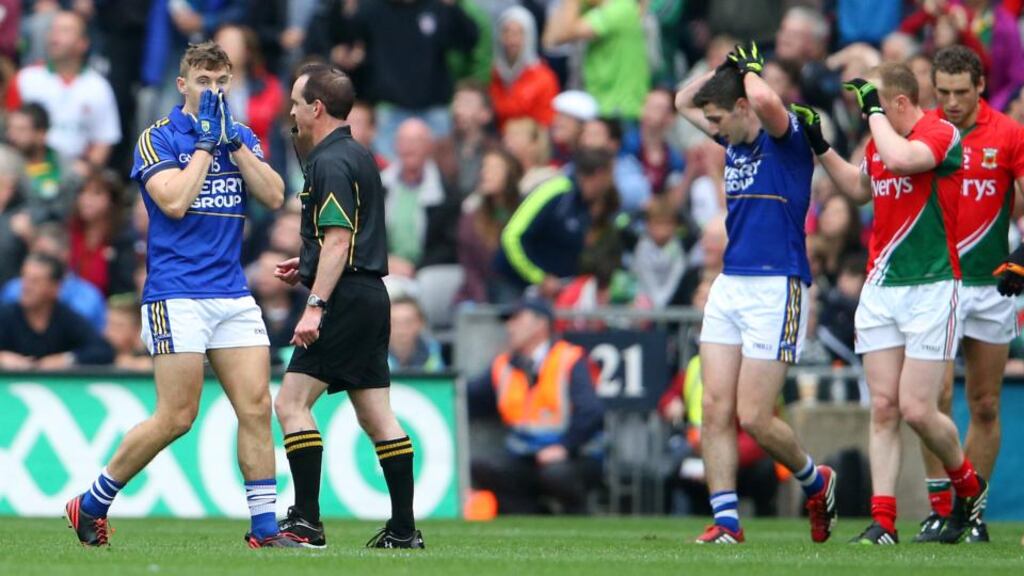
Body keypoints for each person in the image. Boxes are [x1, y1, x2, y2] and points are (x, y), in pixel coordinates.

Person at [64, 42, 292, 549]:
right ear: (182, 85)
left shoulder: (242, 136)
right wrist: (207, 147)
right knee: (177, 417)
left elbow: (275, 196)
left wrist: (231, 142)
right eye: (203, 81)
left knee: (256, 406)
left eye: (220, 82)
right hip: (176, 293)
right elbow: (172, 201)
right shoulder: (158, 138)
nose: (213, 90)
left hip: (232, 292)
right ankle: (93, 501)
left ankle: (264, 530)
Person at [793, 61, 987, 544]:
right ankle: (883, 522)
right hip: (882, 287)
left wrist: (875, 112)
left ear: (898, 102)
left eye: (871, 105)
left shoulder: (940, 133)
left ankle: (967, 484)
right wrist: (821, 145)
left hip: (932, 284)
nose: (864, 114)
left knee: (918, 409)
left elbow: (903, 160)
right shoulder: (879, 140)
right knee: (882, 407)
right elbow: (861, 189)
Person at [675, 41, 836, 544]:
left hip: (777, 284)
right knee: (714, 409)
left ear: (743, 106)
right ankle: (727, 523)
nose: (714, 128)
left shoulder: (783, 141)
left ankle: (817, 479)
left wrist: (749, 72)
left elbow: (767, 103)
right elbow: (682, 100)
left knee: (755, 417)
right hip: (731, 283)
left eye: (721, 117)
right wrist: (725, 68)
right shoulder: (734, 141)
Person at [272, 63, 423, 549]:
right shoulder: (358, 155)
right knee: (377, 415)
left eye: (296, 102)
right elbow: (344, 240)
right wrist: (311, 260)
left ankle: (307, 523)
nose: (291, 111)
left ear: (316, 108)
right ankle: (403, 531)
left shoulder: (328, 161)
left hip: (342, 298)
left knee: (292, 403)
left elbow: (339, 240)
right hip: (370, 294)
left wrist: (315, 301)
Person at [910, 46, 1024, 543]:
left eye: (961, 92)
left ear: (980, 86)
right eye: (943, 93)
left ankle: (971, 514)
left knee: (985, 404)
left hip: (992, 283)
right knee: (930, 400)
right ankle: (940, 508)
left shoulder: (1010, 133)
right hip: (938, 282)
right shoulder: (923, 130)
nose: (952, 103)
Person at [467, 297, 604, 514]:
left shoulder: (569, 358)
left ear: (541, 324)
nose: (509, 326)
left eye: (517, 319)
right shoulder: (505, 365)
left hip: (573, 455)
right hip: (525, 456)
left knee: (556, 474)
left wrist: (565, 447)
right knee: (483, 466)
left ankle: (578, 514)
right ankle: (533, 515)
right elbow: (468, 398)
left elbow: (592, 412)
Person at [493, 147, 614, 303]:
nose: (612, 181)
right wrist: (539, 278)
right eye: (611, 174)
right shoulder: (554, 191)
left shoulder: (589, 204)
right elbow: (511, 236)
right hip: (514, 287)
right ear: (599, 174)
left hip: (554, 294)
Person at [5, 11, 121, 170]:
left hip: (76, 175)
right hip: (24, 171)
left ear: (83, 43)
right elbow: (7, 127)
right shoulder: (25, 78)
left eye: (65, 30)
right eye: (53, 30)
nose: (55, 37)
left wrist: (84, 173)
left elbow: (104, 140)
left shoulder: (99, 87)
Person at [0, 253, 114, 369]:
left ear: (55, 287)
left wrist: (67, 359)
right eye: (24, 278)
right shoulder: (6, 315)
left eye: (35, 281)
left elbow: (102, 350)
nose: (26, 287)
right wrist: (2, 357)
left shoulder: (66, 317)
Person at [455, 148, 524, 304]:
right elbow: (470, 269)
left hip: (516, 290)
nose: (485, 173)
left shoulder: (525, 213)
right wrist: (482, 302)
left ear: (511, 174)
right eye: (484, 168)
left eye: (494, 168)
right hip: (478, 292)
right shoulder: (470, 218)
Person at [490, 5, 559, 131]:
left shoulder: (543, 78)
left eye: (518, 33)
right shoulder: (495, 74)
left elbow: (546, 122)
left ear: (529, 37)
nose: (511, 40)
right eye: (506, 32)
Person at [388, 295, 445, 373]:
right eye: (394, 322)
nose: (401, 329)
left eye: (408, 322)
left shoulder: (432, 351)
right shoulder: (371, 355)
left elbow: (439, 382)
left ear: (421, 323)